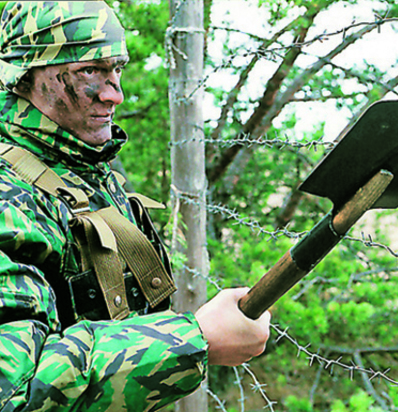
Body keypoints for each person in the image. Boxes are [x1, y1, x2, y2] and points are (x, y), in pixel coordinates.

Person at [0, 1, 270, 411]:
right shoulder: (9, 194)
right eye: (90, 71)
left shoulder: (79, 166)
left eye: (117, 69)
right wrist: (192, 340)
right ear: (25, 77)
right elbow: (15, 393)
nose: (115, 94)